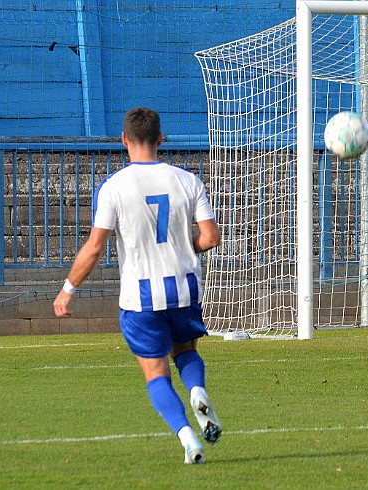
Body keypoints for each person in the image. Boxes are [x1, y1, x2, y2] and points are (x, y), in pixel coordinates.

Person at [53, 107, 222, 464]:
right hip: (184, 289)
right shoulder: (188, 181)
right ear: (161, 139)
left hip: (141, 298)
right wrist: (182, 245)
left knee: (155, 372)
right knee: (186, 352)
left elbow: (95, 247)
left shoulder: (114, 186)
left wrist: (68, 289)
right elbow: (210, 238)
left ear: (124, 140)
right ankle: (197, 390)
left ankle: (188, 438)